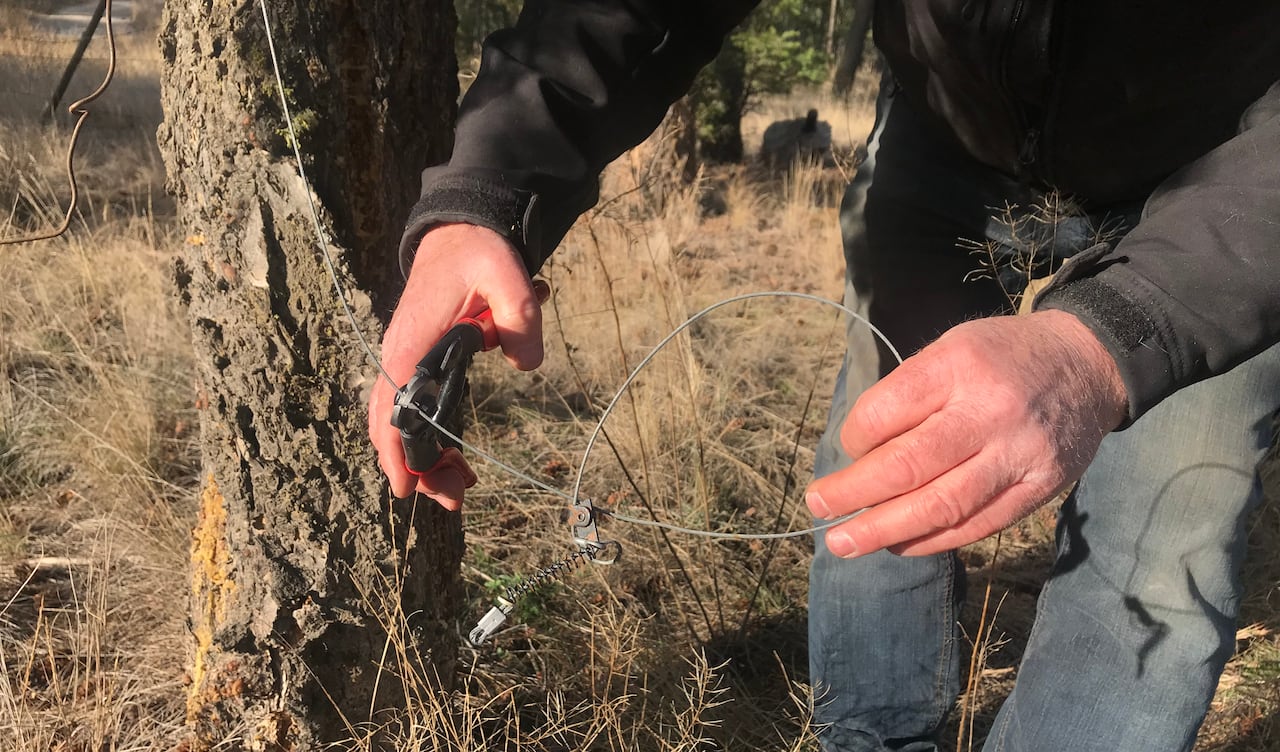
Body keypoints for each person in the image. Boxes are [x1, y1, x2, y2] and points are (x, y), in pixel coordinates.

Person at [367, 2, 1280, 750]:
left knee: (1160, 546)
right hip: (949, 139)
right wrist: (483, 190)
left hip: (1230, 183)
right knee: (877, 464)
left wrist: (1117, 333)